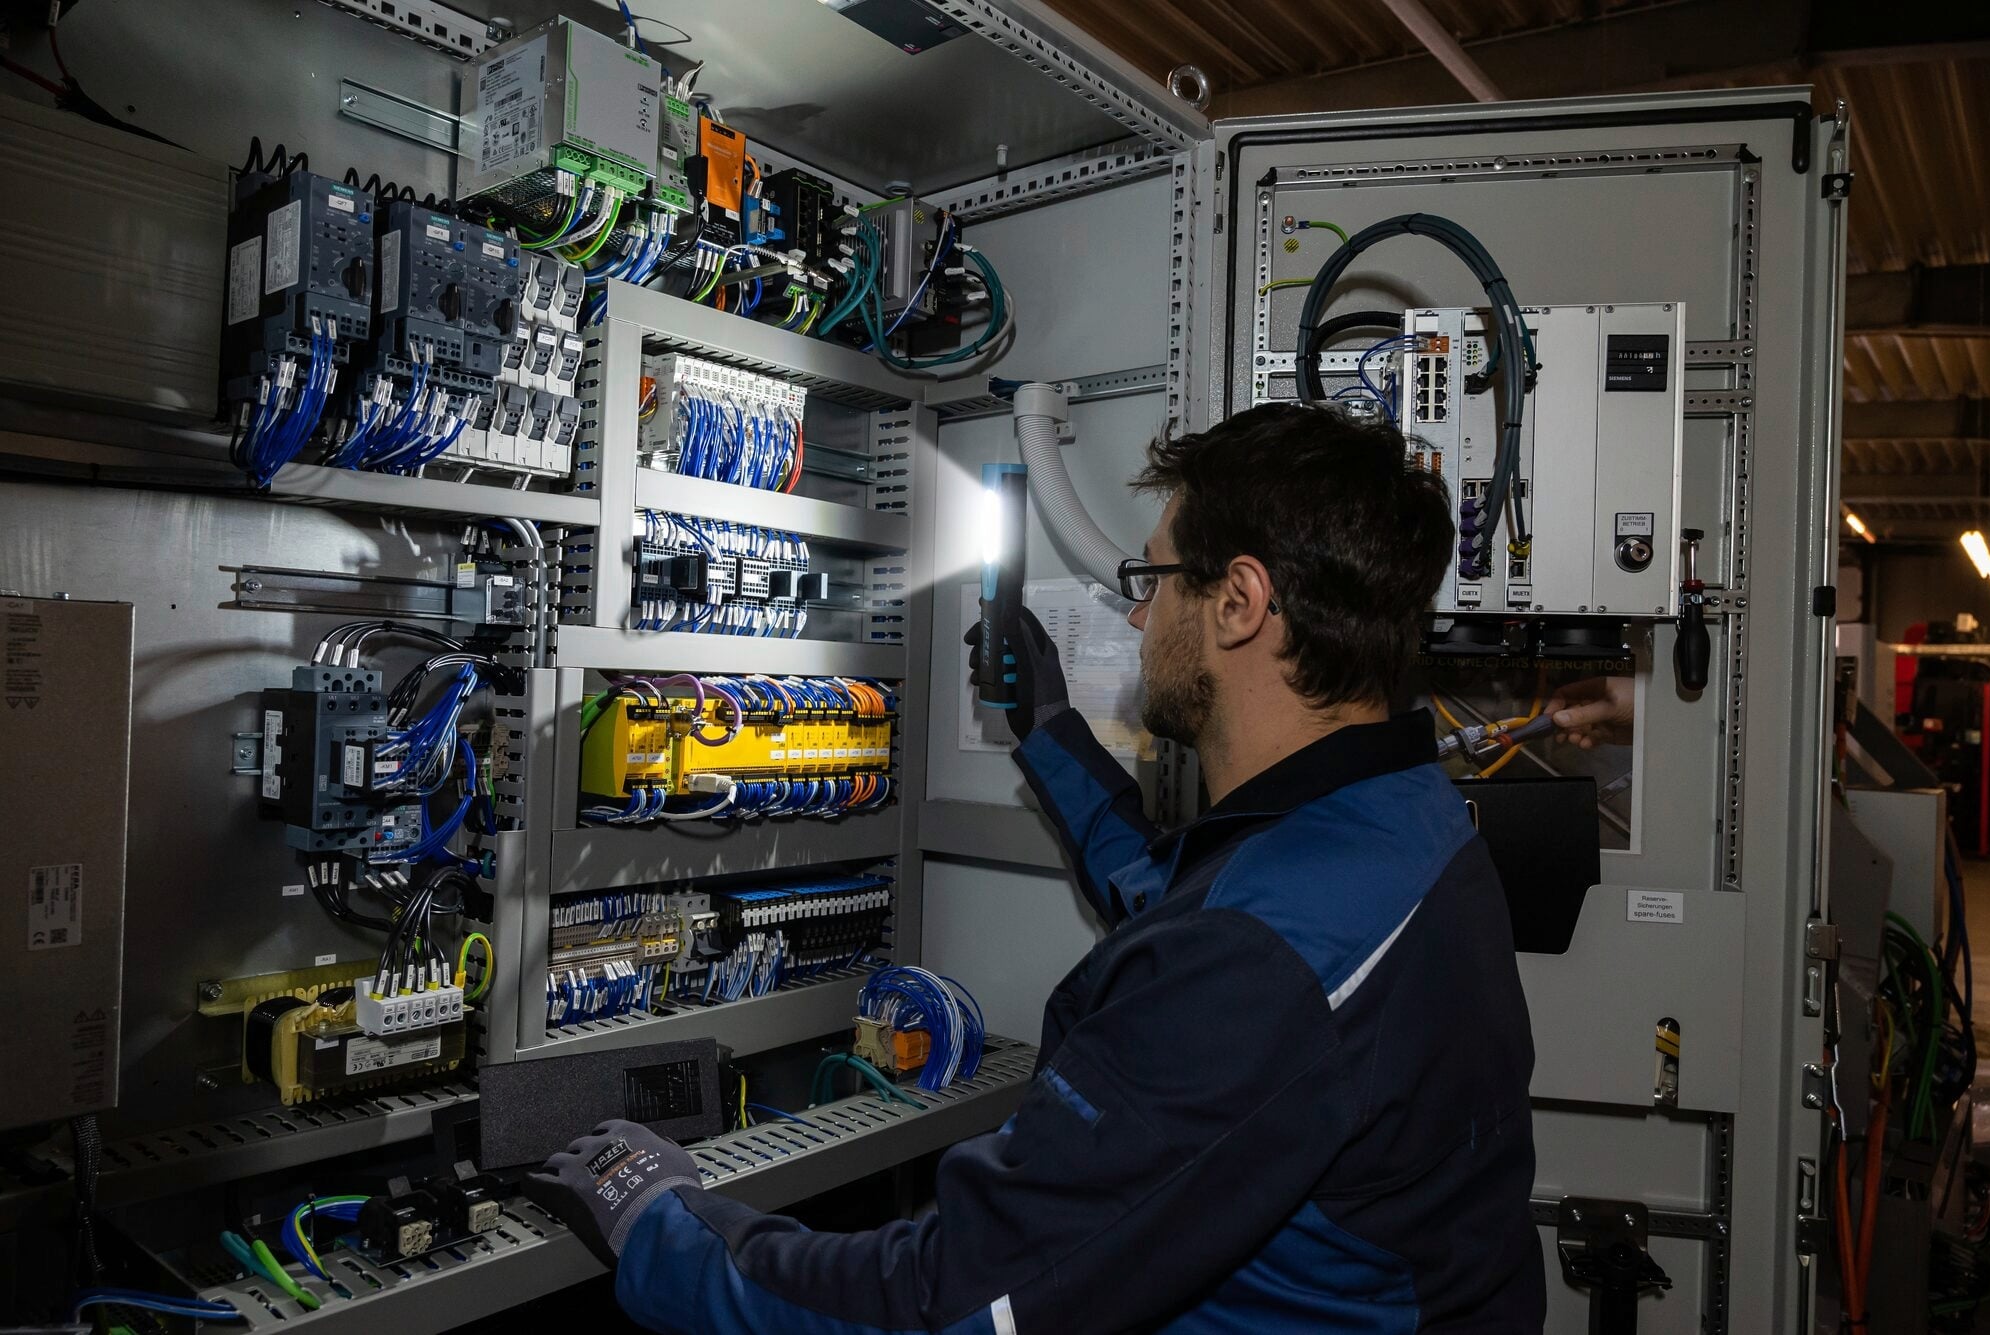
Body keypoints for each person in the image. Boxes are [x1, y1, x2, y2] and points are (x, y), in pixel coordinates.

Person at [527, 403, 1544, 1332]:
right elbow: (1182, 913)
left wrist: (665, 1224)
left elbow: (942, 1305)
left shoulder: (1254, 961)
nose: (1137, 619)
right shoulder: (1403, 827)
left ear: (1236, 602)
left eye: (1151, 582)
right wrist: (1046, 729)